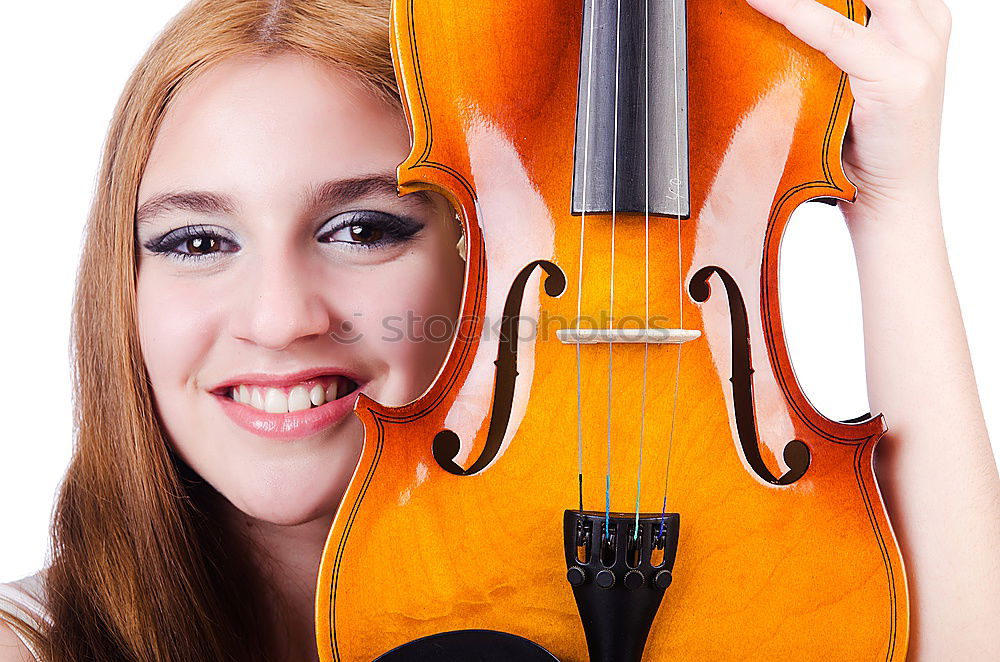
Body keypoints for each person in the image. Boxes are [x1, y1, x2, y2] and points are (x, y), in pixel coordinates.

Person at [1, 0, 996, 661]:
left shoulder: (734, 599)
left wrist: (893, 196)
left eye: (362, 228)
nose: (278, 318)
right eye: (195, 239)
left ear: (489, 243)